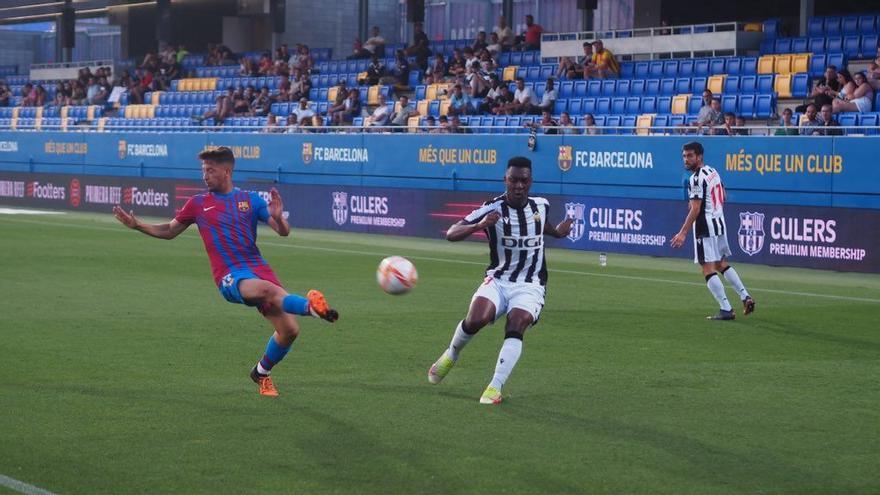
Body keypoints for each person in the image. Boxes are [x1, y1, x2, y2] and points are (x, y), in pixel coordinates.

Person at [112, 147, 339, 397]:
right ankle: (314, 309)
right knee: (269, 290)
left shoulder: (251, 200)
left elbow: (282, 231)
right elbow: (169, 230)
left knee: (289, 331)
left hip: (258, 268)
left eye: (210, 170)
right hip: (230, 276)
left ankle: (261, 373)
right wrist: (137, 225)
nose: (205, 176)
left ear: (227, 171)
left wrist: (279, 218)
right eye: (203, 170)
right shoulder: (198, 204)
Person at [427, 156, 574, 404]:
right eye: (513, 180)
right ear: (505, 180)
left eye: (523, 181)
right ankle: (451, 354)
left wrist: (558, 232)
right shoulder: (491, 208)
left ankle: (494, 387)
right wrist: (481, 225)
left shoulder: (541, 205)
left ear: (530, 181)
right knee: (475, 320)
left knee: (516, 324)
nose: (518, 186)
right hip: (498, 280)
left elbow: (542, 226)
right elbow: (451, 233)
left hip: (530, 284)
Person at [670, 142, 755, 321]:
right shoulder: (712, 171)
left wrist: (683, 233)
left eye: (690, 156)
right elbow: (723, 194)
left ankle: (726, 309)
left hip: (705, 227)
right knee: (720, 263)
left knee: (707, 268)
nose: (686, 159)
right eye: (684, 156)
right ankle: (745, 296)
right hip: (719, 223)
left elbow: (695, 209)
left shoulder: (696, 178)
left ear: (699, 156)